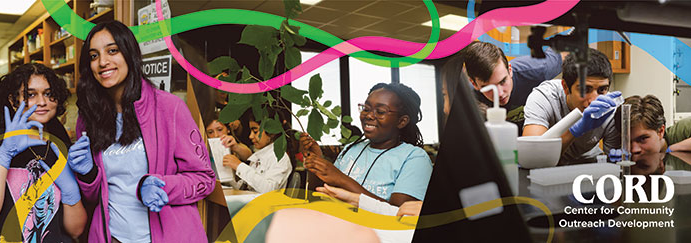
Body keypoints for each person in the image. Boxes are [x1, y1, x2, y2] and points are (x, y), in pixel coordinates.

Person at [66, 20, 215, 242]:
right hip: (111, 237)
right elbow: (94, 196)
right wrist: (87, 174)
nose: (103, 62)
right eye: (94, 56)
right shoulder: (89, 118)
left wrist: (161, 186)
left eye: (112, 51)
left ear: (129, 53)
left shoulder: (169, 108)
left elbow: (205, 179)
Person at [0, 63, 86, 242]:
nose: (42, 102)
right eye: (31, 95)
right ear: (13, 101)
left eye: (48, 94)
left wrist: (71, 192)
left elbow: (76, 231)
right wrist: (3, 155)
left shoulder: (63, 150)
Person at [301, 83, 432, 207]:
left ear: (401, 121)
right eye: (366, 108)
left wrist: (342, 179)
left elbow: (398, 215)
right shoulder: (351, 149)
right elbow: (321, 193)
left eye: (380, 111)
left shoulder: (415, 158)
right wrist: (316, 162)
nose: (368, 115)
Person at [522, 48, 621, 164]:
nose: (594, 100)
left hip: (589, 165)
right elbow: (533, 158)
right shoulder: (544, 97)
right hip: (549, 169)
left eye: (602, 89)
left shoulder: (610, 108)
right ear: (565, 87)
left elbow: (612, 166)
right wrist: (574, 131)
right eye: (585, 89)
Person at [460, 41, 564, 134]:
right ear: (474, 84)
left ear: (510, 70)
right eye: (489, 88)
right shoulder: (466, 100)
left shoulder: (538, 69)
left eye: (502, 81)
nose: (500, 94)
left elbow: (565, 51)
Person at [221, 107, 292, 194]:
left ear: (272, 132)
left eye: (255, 131)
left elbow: (269, 190)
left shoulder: (280, 158)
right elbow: (246, 187)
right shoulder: (259, 155)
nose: (250, 136)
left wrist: (239, 166)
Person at [618, 95, 691, 174]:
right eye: (627, 140)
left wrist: (674, 148)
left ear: (660, 132)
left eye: (643, 139)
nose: (634, 150)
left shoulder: (683, 129)